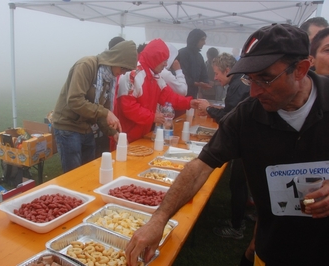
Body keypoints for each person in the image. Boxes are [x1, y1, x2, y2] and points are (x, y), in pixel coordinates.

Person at [125, 24, 329, 266]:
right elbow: (200, 167)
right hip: (272, 250)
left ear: (301, 70)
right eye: (249, 79)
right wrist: (159, 219)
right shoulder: (246, 116)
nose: (253, 92)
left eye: (264, 79)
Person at [52, 40, 137, 173]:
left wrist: (112, 132)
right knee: (74, 175)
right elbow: (74, 100)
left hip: (86, 128)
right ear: (115, 59)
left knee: (89, 172)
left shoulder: (109, 79)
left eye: (126, 70)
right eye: (123, 68)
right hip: (68, 127)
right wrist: (105, 112)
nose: (123, 72)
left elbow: (99, 113)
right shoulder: (87, 65)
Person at [196, 52, 250, 240]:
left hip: (245, 143)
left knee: (237, 184)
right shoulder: (239, 83)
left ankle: (236, 227)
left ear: (228, 71)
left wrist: (208, 109)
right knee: (240, 183)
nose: (215, 78)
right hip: (247, 139)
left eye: (217, 73)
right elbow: (231, 111)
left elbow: (229, 120)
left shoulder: (237, 87)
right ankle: (239, 218)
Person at [116, 38, 198, 143]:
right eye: (163, 60)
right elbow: (128, 108)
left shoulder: (155, 77)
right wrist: (152, 117)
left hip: (141, 133)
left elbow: (169, 97)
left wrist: (189, 103)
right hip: (125, 135)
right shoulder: (132, 75)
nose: (165, 64)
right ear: (155, 58)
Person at [178, 29, 211, 98]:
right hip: (181, 94)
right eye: (202, 40)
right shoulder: (182, 54)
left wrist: (206, 82)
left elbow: (204, 74)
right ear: (195, 40)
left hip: (193, 95)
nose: (204, 43)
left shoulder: (199, 56)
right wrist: (197, 84)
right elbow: (181, 74)